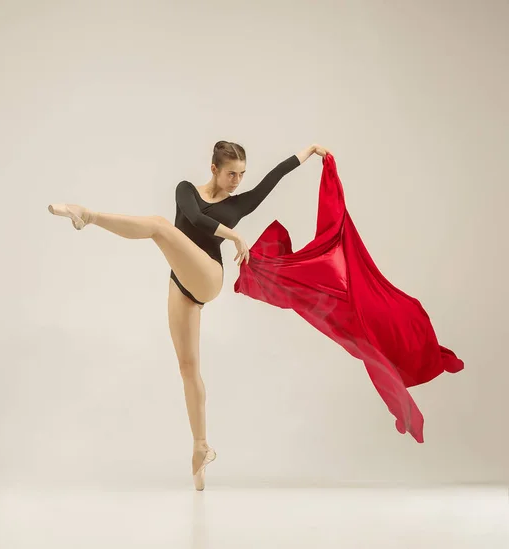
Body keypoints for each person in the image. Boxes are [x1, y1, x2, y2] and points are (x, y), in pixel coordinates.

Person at [48, 140, 330, 490]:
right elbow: (195, 218)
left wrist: (309, 151)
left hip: (208, 275)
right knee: (187, 367)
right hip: (181, 284)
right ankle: (200, 449)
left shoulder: (241, 202)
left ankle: (87, 215)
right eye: (231, 174)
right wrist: (235, 235)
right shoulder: (186, 190)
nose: (237, 182)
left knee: (158, 226)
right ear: (213, 169)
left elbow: (277, 175)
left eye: (241, 175)